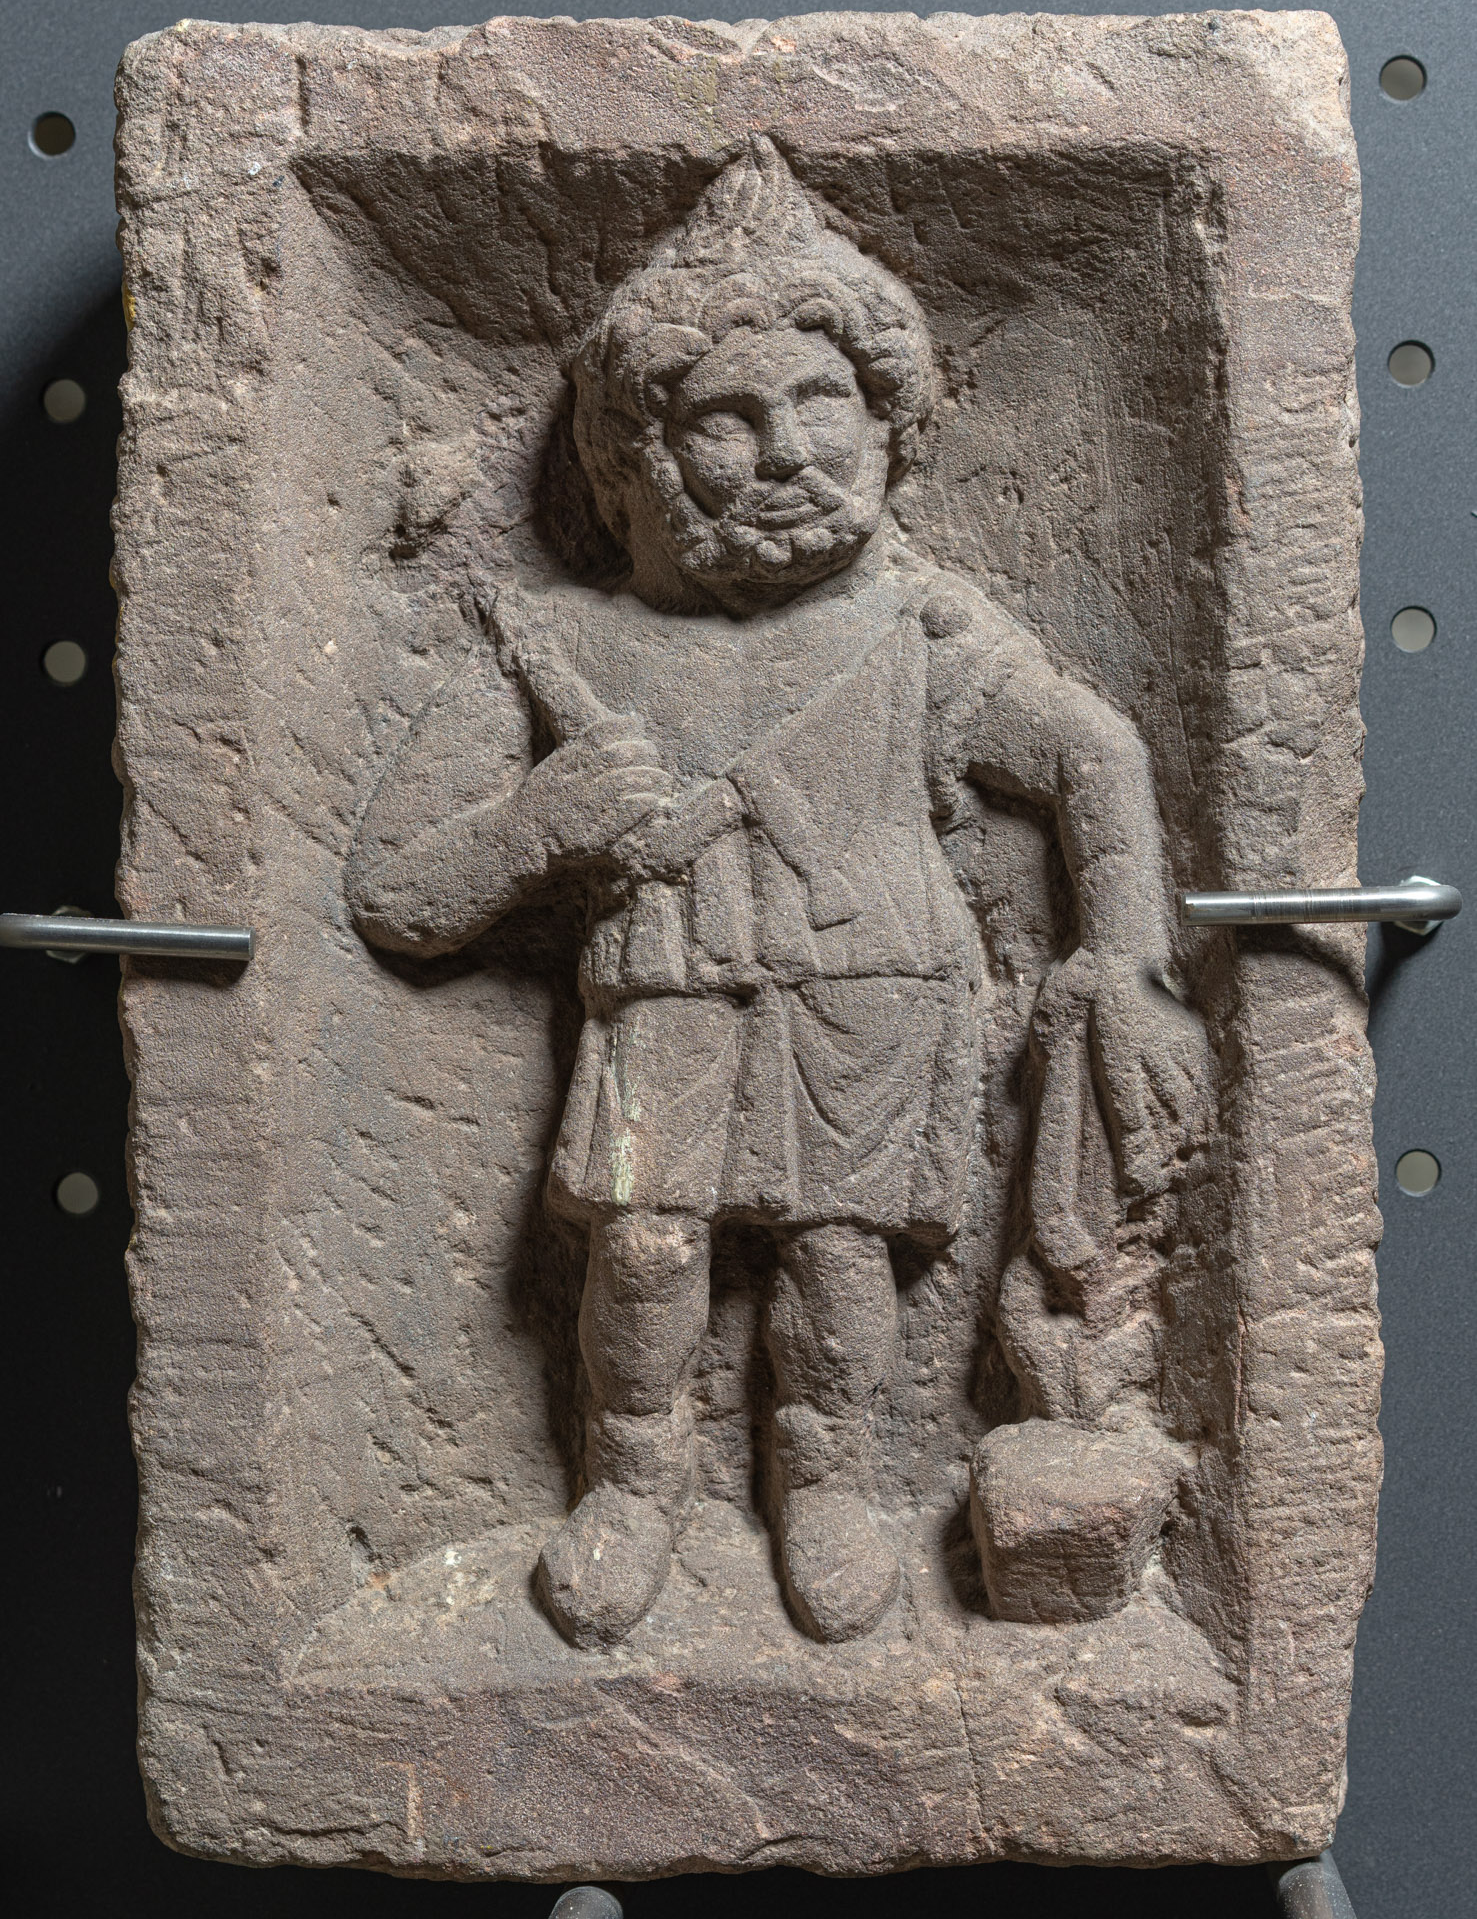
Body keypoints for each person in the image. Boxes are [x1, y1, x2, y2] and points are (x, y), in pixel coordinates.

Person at [346, 138, 1208, 1649]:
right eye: (729, 417)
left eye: (823, 404)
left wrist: (1126, 965)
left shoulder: (921, 630)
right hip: (669, 984)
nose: (790, 449)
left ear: (888, 424)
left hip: (874, 983)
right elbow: (396, 893)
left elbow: (1092, 755)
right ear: (641, 453)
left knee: (838, 1257)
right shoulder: (568, 641)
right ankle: (633, 1480)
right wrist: (544, 823)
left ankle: (826, 1481)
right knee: (644, 1250)